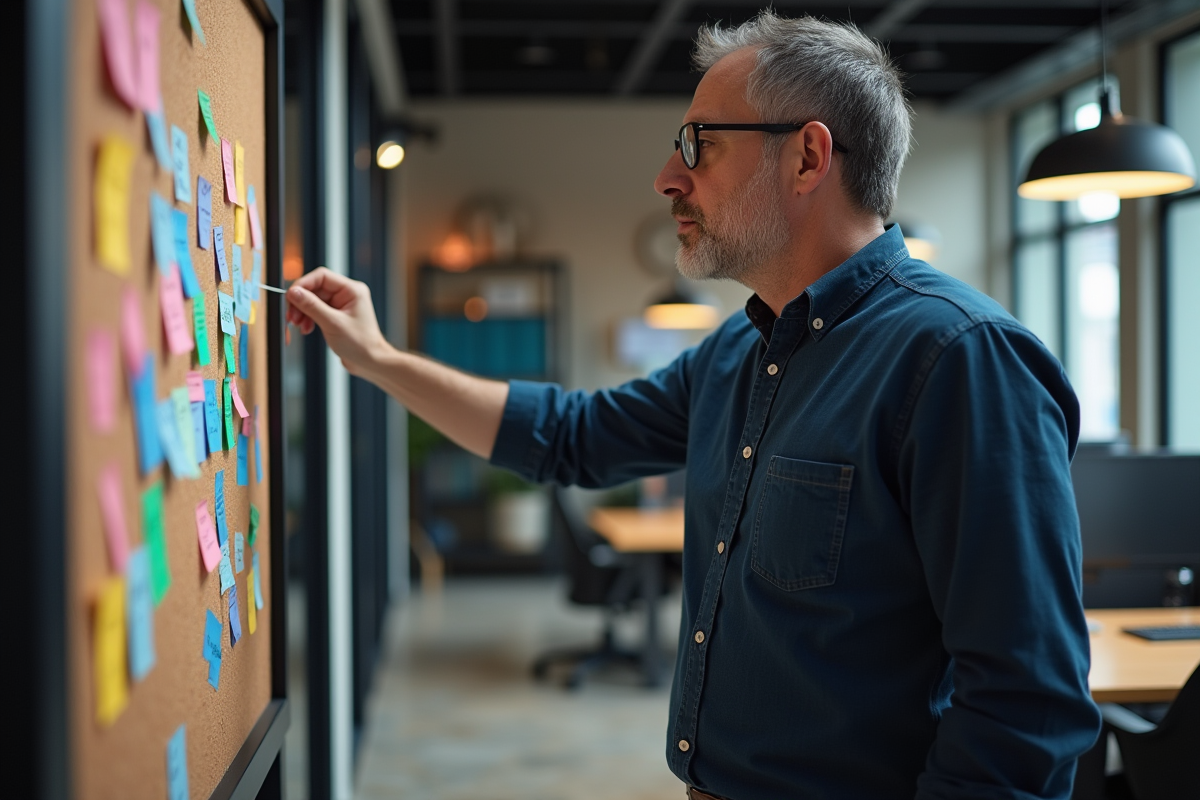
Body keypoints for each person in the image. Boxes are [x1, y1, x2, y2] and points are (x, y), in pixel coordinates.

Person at [286, 11, 1101, 800]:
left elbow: (1024, 703)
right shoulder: (738, 353)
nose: (668, 177)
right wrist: (378, 360)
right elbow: (570, 436)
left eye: (699, 145)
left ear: (808, 157)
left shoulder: (962, 359)